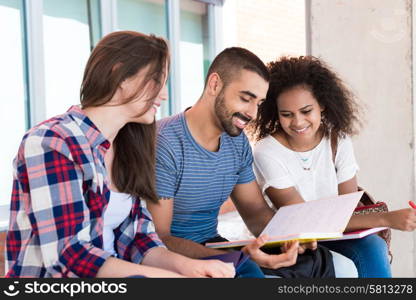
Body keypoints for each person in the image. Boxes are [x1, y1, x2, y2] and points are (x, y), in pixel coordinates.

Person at [5, 31, 236, 278]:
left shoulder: (129, 145)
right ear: (119, 75)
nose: (165, 94)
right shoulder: (52, 142)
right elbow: (69, 257)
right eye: (157, 79)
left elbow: (139, 238)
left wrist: (191, 267)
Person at [148, 47, 358, 278]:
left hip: (214, 246)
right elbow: (160, 238)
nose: (253, 113)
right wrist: (237, 257)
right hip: (173, 256)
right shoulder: (165, 143)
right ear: (214, 84)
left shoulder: (236, 144)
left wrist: (287, 240)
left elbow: (256, 212)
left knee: (324, 264)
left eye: (258, 103)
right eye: (245, 99)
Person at [250, 56, 416, 277]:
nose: (298, 122)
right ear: (275, 112)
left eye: (306, 111)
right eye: (286, 115)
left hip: (336, 234)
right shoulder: (266, 152)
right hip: (294, 242)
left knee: (373, 247)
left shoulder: (338, 140)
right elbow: (303, 219)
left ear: (323, 105)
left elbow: (345, 210)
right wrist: (387, 218)